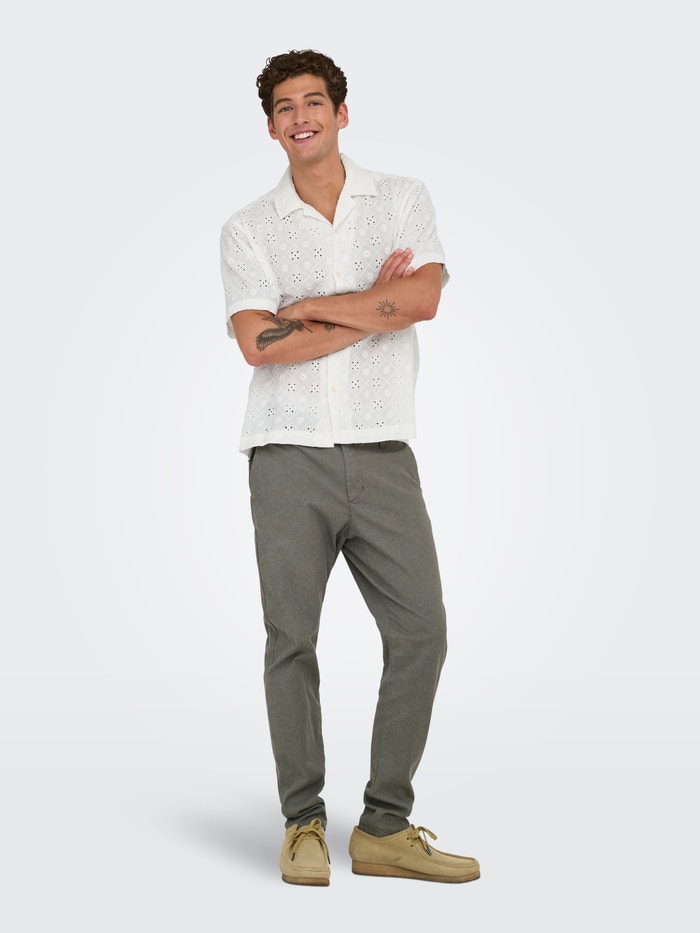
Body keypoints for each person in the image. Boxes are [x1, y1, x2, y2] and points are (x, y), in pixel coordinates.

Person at [219, 49, 480, 887]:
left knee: (423, 631)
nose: (300, 117)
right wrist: (375, 304)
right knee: (291, 639)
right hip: (286, 452)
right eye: (284, 107)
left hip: (382, 448)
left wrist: (309, 310)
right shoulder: (248, 229)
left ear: (340, 112)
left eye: (314, 101)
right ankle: (302, 819)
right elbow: (260, 346)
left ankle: (383, 827)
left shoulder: (400, 199)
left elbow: (424, 299)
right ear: (271, 127)